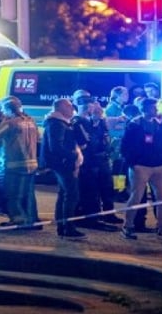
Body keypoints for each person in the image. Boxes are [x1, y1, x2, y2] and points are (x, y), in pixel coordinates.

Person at [120, 98, 162, 241]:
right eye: (153, 108)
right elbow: (125, 146)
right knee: (136, 197)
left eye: (157, 107)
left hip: (161, 165)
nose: (157, 110)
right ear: (144, 109)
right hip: (141, 166)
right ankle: (127, 226)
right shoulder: (135, 124)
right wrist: (133, 163)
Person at [0, 96, 41, 229]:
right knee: (29, 195)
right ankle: (32, 220)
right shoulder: (31, 121)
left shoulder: (10, 123)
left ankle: (18, 221)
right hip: (32, 164)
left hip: (15, 165)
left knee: (12, 195)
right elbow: (39, 139)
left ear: (7, 109)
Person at [40, 98, 86, 240]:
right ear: (61, 108)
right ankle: (68, 228)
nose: (73, 109)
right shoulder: (57, 124)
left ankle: (62, 226)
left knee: (64, 194)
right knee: (71, 195)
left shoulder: (61, 123)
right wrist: (72, 157)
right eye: (70, 106)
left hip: (62, 163)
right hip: (63, 164)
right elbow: (56, 147)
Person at [72, 99, 121, 230]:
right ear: (88, 108)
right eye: (96, 107)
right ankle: (91, 220)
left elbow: (104, 137)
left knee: (106, 188)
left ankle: (108, 214)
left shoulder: (99, 122)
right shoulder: (79, 122)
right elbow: (87, 141)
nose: (100, 110)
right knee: (91, 191)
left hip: (101, 158)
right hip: (89, 161)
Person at [104, 86, 130, 198]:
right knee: (117, 167)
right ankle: (117, 191)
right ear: (117, 96)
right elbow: (111, 127)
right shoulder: (111, 109)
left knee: (122, 168)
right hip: (116, 141)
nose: (127, 96)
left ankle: (121, 189)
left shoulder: (120, 107)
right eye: (125, 94)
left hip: (122, 141)